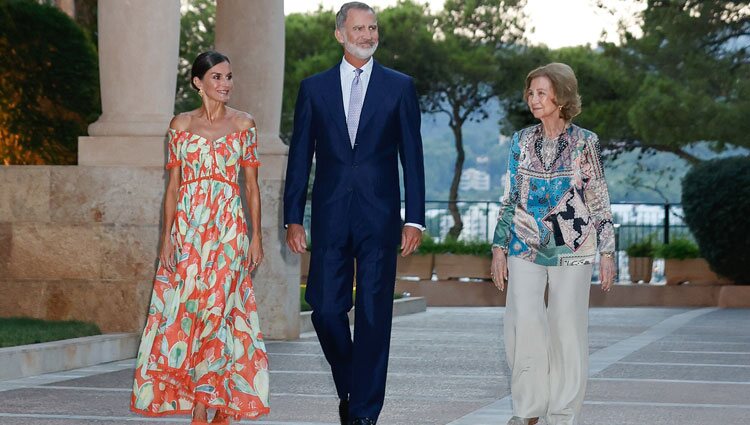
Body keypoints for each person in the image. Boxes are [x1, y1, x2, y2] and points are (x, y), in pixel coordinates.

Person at [283, 2, 425, 424]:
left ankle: (363, 413)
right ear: (339, 34)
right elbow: (300, 158)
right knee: (325, 308)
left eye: (373, 28)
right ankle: (350, 381)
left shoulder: (400, 87)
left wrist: (413, 217)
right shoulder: (314, 88)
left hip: (380, 217)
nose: (367, 35)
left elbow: (412, 157)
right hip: (329, 215)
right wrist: (293, 216)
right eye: (359, 28)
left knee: (374, 314)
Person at [131, 51, 270, 425]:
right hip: (189, 229)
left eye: (228, 76)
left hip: (228, 228)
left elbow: (252, 188)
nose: (225, 84)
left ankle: (208, 403)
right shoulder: (180, 125)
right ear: (198, 82)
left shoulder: (244, 123)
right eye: (217, 77)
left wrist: (256, 237)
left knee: (222, 308)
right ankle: (202, 396)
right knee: (190, 309)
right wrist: (166, 237)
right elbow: (173, 187)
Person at [490, 63, 616, 425]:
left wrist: (607, 251)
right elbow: (510, 196)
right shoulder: (521, 141)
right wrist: (499, 247)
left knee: (567, 327)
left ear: (561, 97)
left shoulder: (585, 142)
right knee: (523, 322)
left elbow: (598, 200)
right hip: (524, 243)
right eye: (530, 93)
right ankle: (529, 410)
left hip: (573, 246)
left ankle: (561, 414)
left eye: (541, 92)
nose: (533, 99)